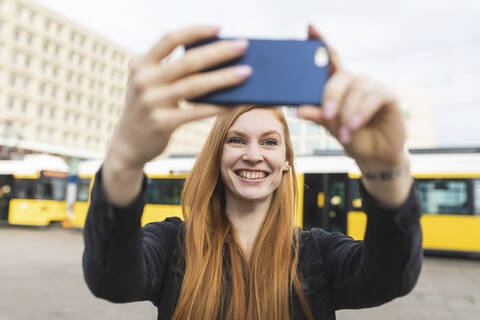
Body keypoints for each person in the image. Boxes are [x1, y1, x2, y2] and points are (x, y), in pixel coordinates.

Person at [82, 25, 423, 320]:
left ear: (287, 161)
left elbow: (391, 278)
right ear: (217, 155)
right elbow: (110, 280)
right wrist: (125, 159)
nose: (253, 155)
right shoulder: (173, 243)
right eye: (236, 140)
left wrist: (386, 169)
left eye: (270, 143)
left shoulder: (318, 252)